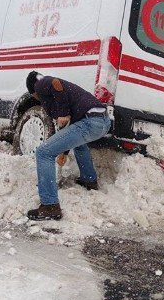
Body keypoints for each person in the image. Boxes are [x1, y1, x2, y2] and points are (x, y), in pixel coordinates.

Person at [25, 71, 111, 220]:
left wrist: (63, 113)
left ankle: (50, 206)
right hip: (103, 122)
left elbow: (55, 84)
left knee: (43, 153)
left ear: (33, 91)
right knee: (79, 144)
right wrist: (64, 153)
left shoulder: (41, 82)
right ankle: (89, 180)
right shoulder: (62, 95)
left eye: (34, 96)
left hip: (90, 122)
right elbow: (68, 132)